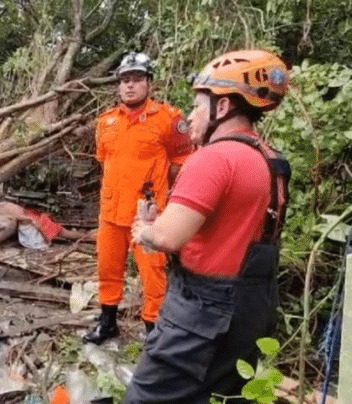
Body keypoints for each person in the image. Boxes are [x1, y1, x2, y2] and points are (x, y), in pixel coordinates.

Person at [125, 49, 291, 403]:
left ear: (223, 107)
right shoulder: (272, 160)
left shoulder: (213, 158)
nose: (191, 116)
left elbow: (168, 236)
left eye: (198, 106)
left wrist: (145, 231)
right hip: (254, 306)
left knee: (146, 397)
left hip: (203, 314)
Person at [84, 52, 193, 344]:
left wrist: (168, 203)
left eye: (137, 79)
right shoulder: (106, 122)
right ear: (119, 85)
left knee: (153, 275)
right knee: (108, 268)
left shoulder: (168, 119)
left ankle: (153, 332)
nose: (130, 86)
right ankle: (107, 323)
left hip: (147, 215)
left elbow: (183, 162)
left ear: (149, 84)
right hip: (110, 212)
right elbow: (104, 162)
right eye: (124, 80)